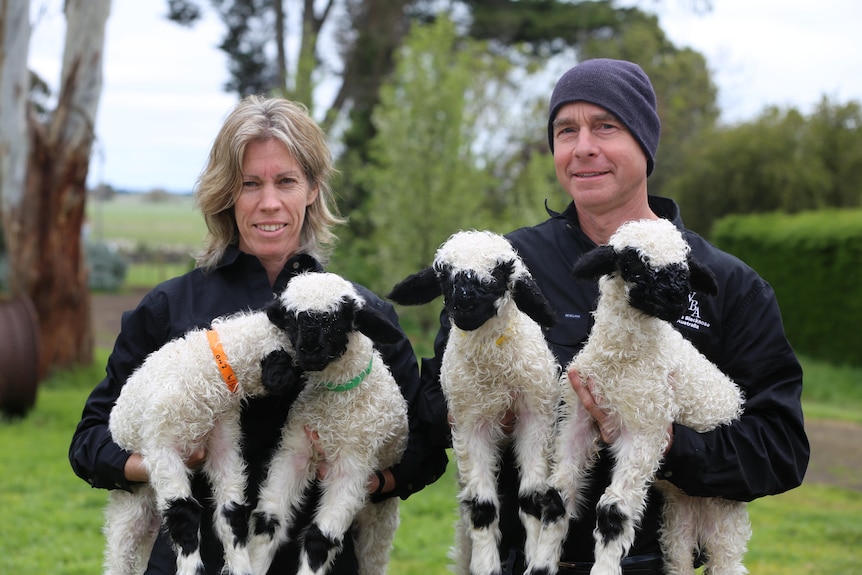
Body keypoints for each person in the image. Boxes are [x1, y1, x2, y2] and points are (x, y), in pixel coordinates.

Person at [420, 58, 810, 574]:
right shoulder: (504, 265)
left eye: (606, 126)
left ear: (645, 143)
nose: (583, 147)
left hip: (653, 563)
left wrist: (668, 444)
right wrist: (480, 412)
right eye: (566, 130)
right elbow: (432, 399)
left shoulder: (726, 284)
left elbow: (780, 448)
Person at [69, 95, 448, 574]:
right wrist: (161, 463)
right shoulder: (169, 309)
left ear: (312, 188)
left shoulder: (363, 314)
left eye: (286, 181)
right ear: (228, 193)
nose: (269, 202)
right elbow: (90, 441)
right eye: (251, 184)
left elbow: (423, 450)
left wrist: (363, 482)